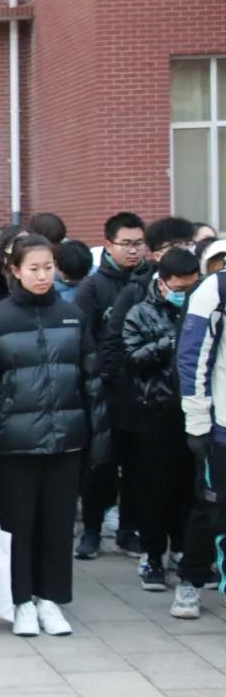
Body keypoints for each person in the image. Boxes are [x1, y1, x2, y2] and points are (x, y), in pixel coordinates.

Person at [0, 235, 108, 637]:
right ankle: (20, 600)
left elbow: (92, 380)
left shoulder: (71, 315)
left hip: (67, 439)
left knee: (58, 523)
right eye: (33, 268)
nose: (42, 275)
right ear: (14, 270)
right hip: (14, 442)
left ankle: (50, 599)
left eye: (48, 267)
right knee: (19, 525)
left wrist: (99, 437)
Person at [121, 248, 200, 592]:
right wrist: (169, 343)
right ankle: (152, 555)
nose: (186, 294)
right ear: (163, 282)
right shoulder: (141, 312)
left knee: (189, 486)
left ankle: (183, 550)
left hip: (194, 409)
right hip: (156, 409)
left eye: (192, 287)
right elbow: (131, 357)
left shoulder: (203, 310)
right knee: (155, 487)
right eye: (180, 288)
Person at [74, 212, 150, 560]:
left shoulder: (151, 282)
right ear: (108, 245)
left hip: (142, 391)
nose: (133, 251)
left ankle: (128, 530)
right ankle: (91, 530)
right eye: (126, 244)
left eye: (139, 244)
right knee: (101, 464)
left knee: (138, 466)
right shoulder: (93, 287)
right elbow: (83, 336)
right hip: (104, 391)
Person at [174, 259, 226, 619]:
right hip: (220, 425)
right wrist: (197, 421)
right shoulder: (216, 288)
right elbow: (192, 357)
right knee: (212, 508)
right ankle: (190, 579)